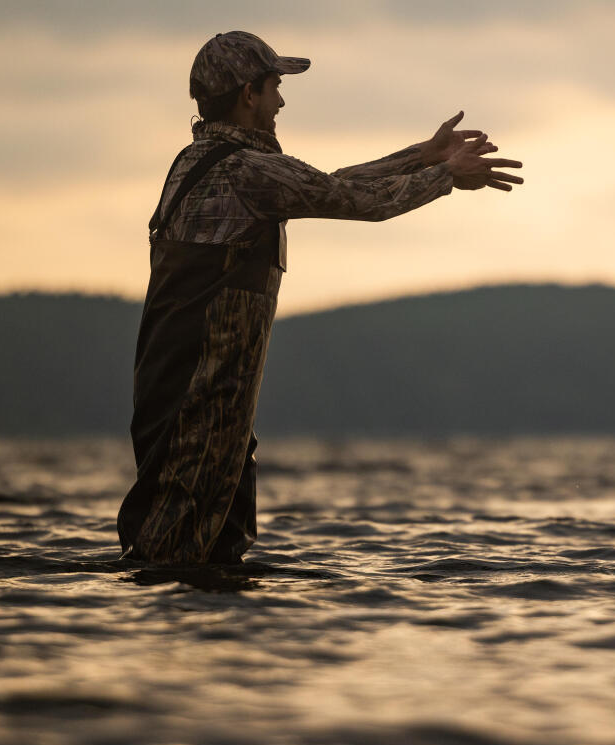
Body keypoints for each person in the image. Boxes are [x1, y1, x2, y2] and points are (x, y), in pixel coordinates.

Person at [117, 30, 522, 564]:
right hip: (201, 402)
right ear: (248, 95)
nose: (281, 102)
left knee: (207, 556)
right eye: (274, 87)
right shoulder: (244, 170)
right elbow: (356, 200)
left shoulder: (198, 164)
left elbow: (326, 185)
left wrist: (421, 157)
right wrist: (443, 175)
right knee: (173, 557)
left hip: (186, 396)